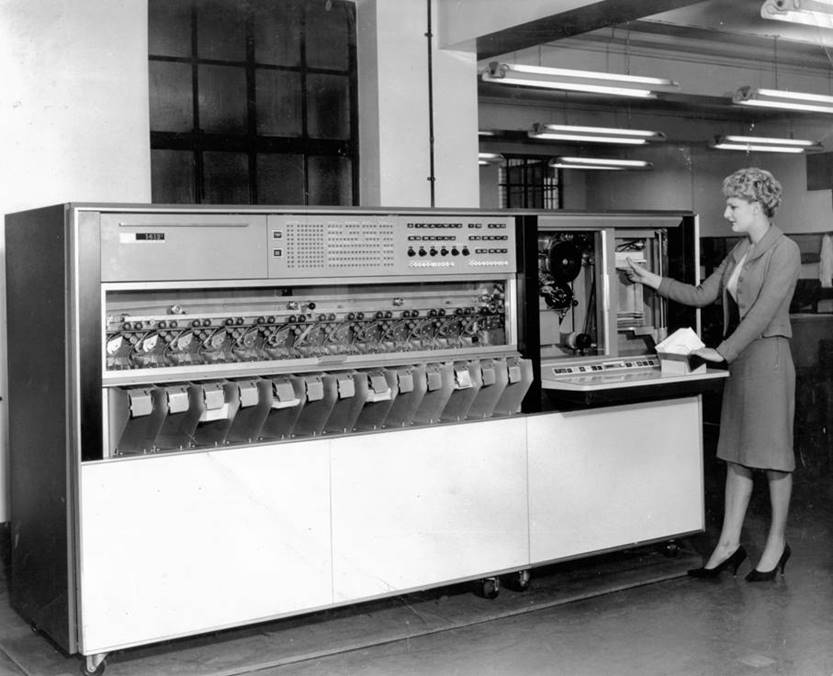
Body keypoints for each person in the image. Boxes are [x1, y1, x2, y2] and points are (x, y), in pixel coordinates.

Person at [626, 167, 800, 582]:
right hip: (740, 361)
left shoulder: (785, 250)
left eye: (734, 206)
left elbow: (761, 314)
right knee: (736, 455)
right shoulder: (740, 251)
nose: (726, 212)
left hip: (769, 359)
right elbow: (703, 294)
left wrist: (721, 352)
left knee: (773, 459)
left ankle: (776, 544)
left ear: (757, 207)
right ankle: (728, 545)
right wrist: (652, 280)